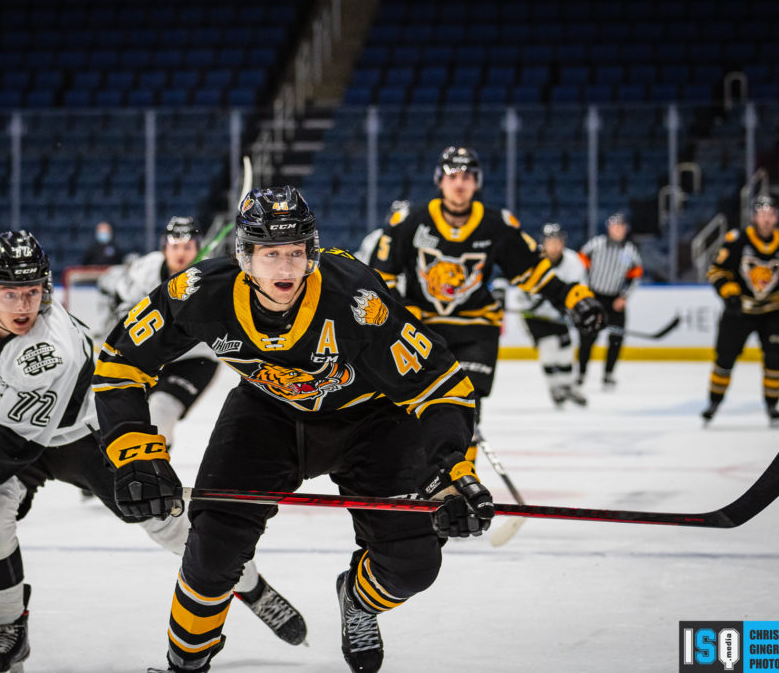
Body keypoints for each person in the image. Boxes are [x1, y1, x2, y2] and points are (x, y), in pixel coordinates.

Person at [0, 231, 305, 673]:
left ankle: (252, 587)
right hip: (8, 422)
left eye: (35, 291)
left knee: (169, 522)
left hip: (89, 430)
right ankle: (7, 628)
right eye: (11, 293)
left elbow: (1, 453)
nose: (27, 305)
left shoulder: (48, 348)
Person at [93, 186, 495, 673]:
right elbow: (120, 362)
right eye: (270, 254)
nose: (285, 268)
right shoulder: (200, 290)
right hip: (268, 416)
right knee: (212, 551)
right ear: (244, 255)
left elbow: (439, 385)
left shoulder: (355, 297)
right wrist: (135, 452)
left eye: (296, 253)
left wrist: (452, 468)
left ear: (312, 252)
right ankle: (185, 665)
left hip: (372, 420)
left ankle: (359, 600)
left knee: (413, 564)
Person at [367, 146, 605, 461]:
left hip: (476, 329)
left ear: (477, 182)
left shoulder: (497, 226)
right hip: (423, 330)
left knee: (465, 406)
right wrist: (395, 318)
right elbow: (380, 276)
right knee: (419, 409)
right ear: (440, 180)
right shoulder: (412, 222)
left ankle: (463, 484)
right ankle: (425, 480)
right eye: (453, 175)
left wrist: (576, 299)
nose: (460, 183)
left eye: (467, 176)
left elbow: (533, 273)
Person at [97, 216, 220, 448]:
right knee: (121, 418)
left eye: (187, 247)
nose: (181, 254)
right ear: (164, 247)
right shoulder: (146, 269)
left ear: (198, 248)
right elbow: (121, 303)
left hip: (194, 361)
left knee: (161, 411)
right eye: (175, 247)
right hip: (149, 357)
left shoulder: (212, 277)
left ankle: (153, 471)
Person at [702, 196, 779, 426]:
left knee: (775, 360)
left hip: (773, 312)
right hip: (739, 312)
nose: (766, 219)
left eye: (771, 214)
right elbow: (716, 271)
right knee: (724, 358)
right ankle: (714, 402)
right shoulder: (737, 240)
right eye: (762, 214)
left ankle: (772, 406)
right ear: (754, 217)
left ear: (777, 217)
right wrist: (730, 294)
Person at [504, 222, 588, 408]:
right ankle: (554, 388)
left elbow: (579, 288)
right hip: (534, 316)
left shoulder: (573, 261)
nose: (555, 246)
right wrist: (531, 302)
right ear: (544, 243)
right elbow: (519, 286)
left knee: (566, 351)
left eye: (558, 241)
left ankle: (568, 386)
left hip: (559, 316)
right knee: (549, 348)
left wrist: (575, 308)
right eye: (551, 242)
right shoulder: (532, 258)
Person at [575, 212, 644, 390]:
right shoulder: (596, 244)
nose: (618, 230)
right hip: (594, 297)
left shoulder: (630, 251)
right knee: (587, 337)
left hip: (615, 301)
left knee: (616, 338)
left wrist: (624, 296)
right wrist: (585, 290)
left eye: (621, 226)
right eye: (614, 226)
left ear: (625, 229)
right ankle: (581, 373)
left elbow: (635, 276)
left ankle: (608, 374)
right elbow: (579, 264)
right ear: (608, 227)